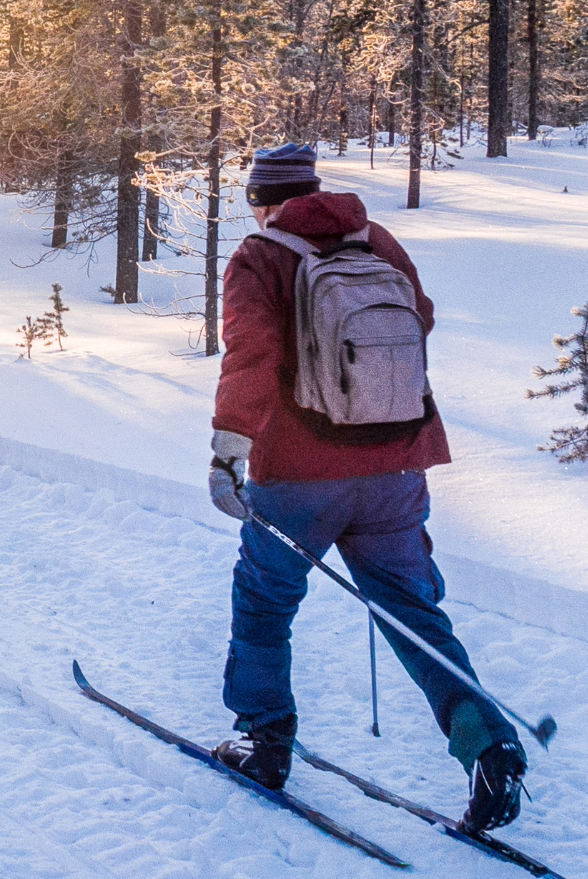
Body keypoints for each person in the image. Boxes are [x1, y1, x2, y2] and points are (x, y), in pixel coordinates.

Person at [208, 142, 527, 834]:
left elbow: (252, 354)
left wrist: (230, 446)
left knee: (264, 603)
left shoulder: (260, 256)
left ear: (262, 200)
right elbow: (422, 318)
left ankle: (264, 743)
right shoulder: (376, 240)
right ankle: (488, 744)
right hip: (395, 465)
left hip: (297, 473)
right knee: (413, 611)